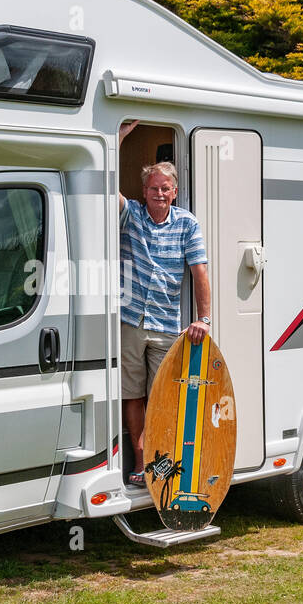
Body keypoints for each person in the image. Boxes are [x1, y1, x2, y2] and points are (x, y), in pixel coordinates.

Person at [117, 124, 211, 486]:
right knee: (133, 395)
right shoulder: (132, 215)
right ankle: (142, 464)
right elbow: (107, 189)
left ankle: (161, 463)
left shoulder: (187, 224)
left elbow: (199, 272)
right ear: (144, 191)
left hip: (166, 322)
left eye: (165, 188)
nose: (159, 193)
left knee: (161, 397)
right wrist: (117, 138)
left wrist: (204, 318)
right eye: (153, 188)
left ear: (174, 192)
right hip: (130, 320)